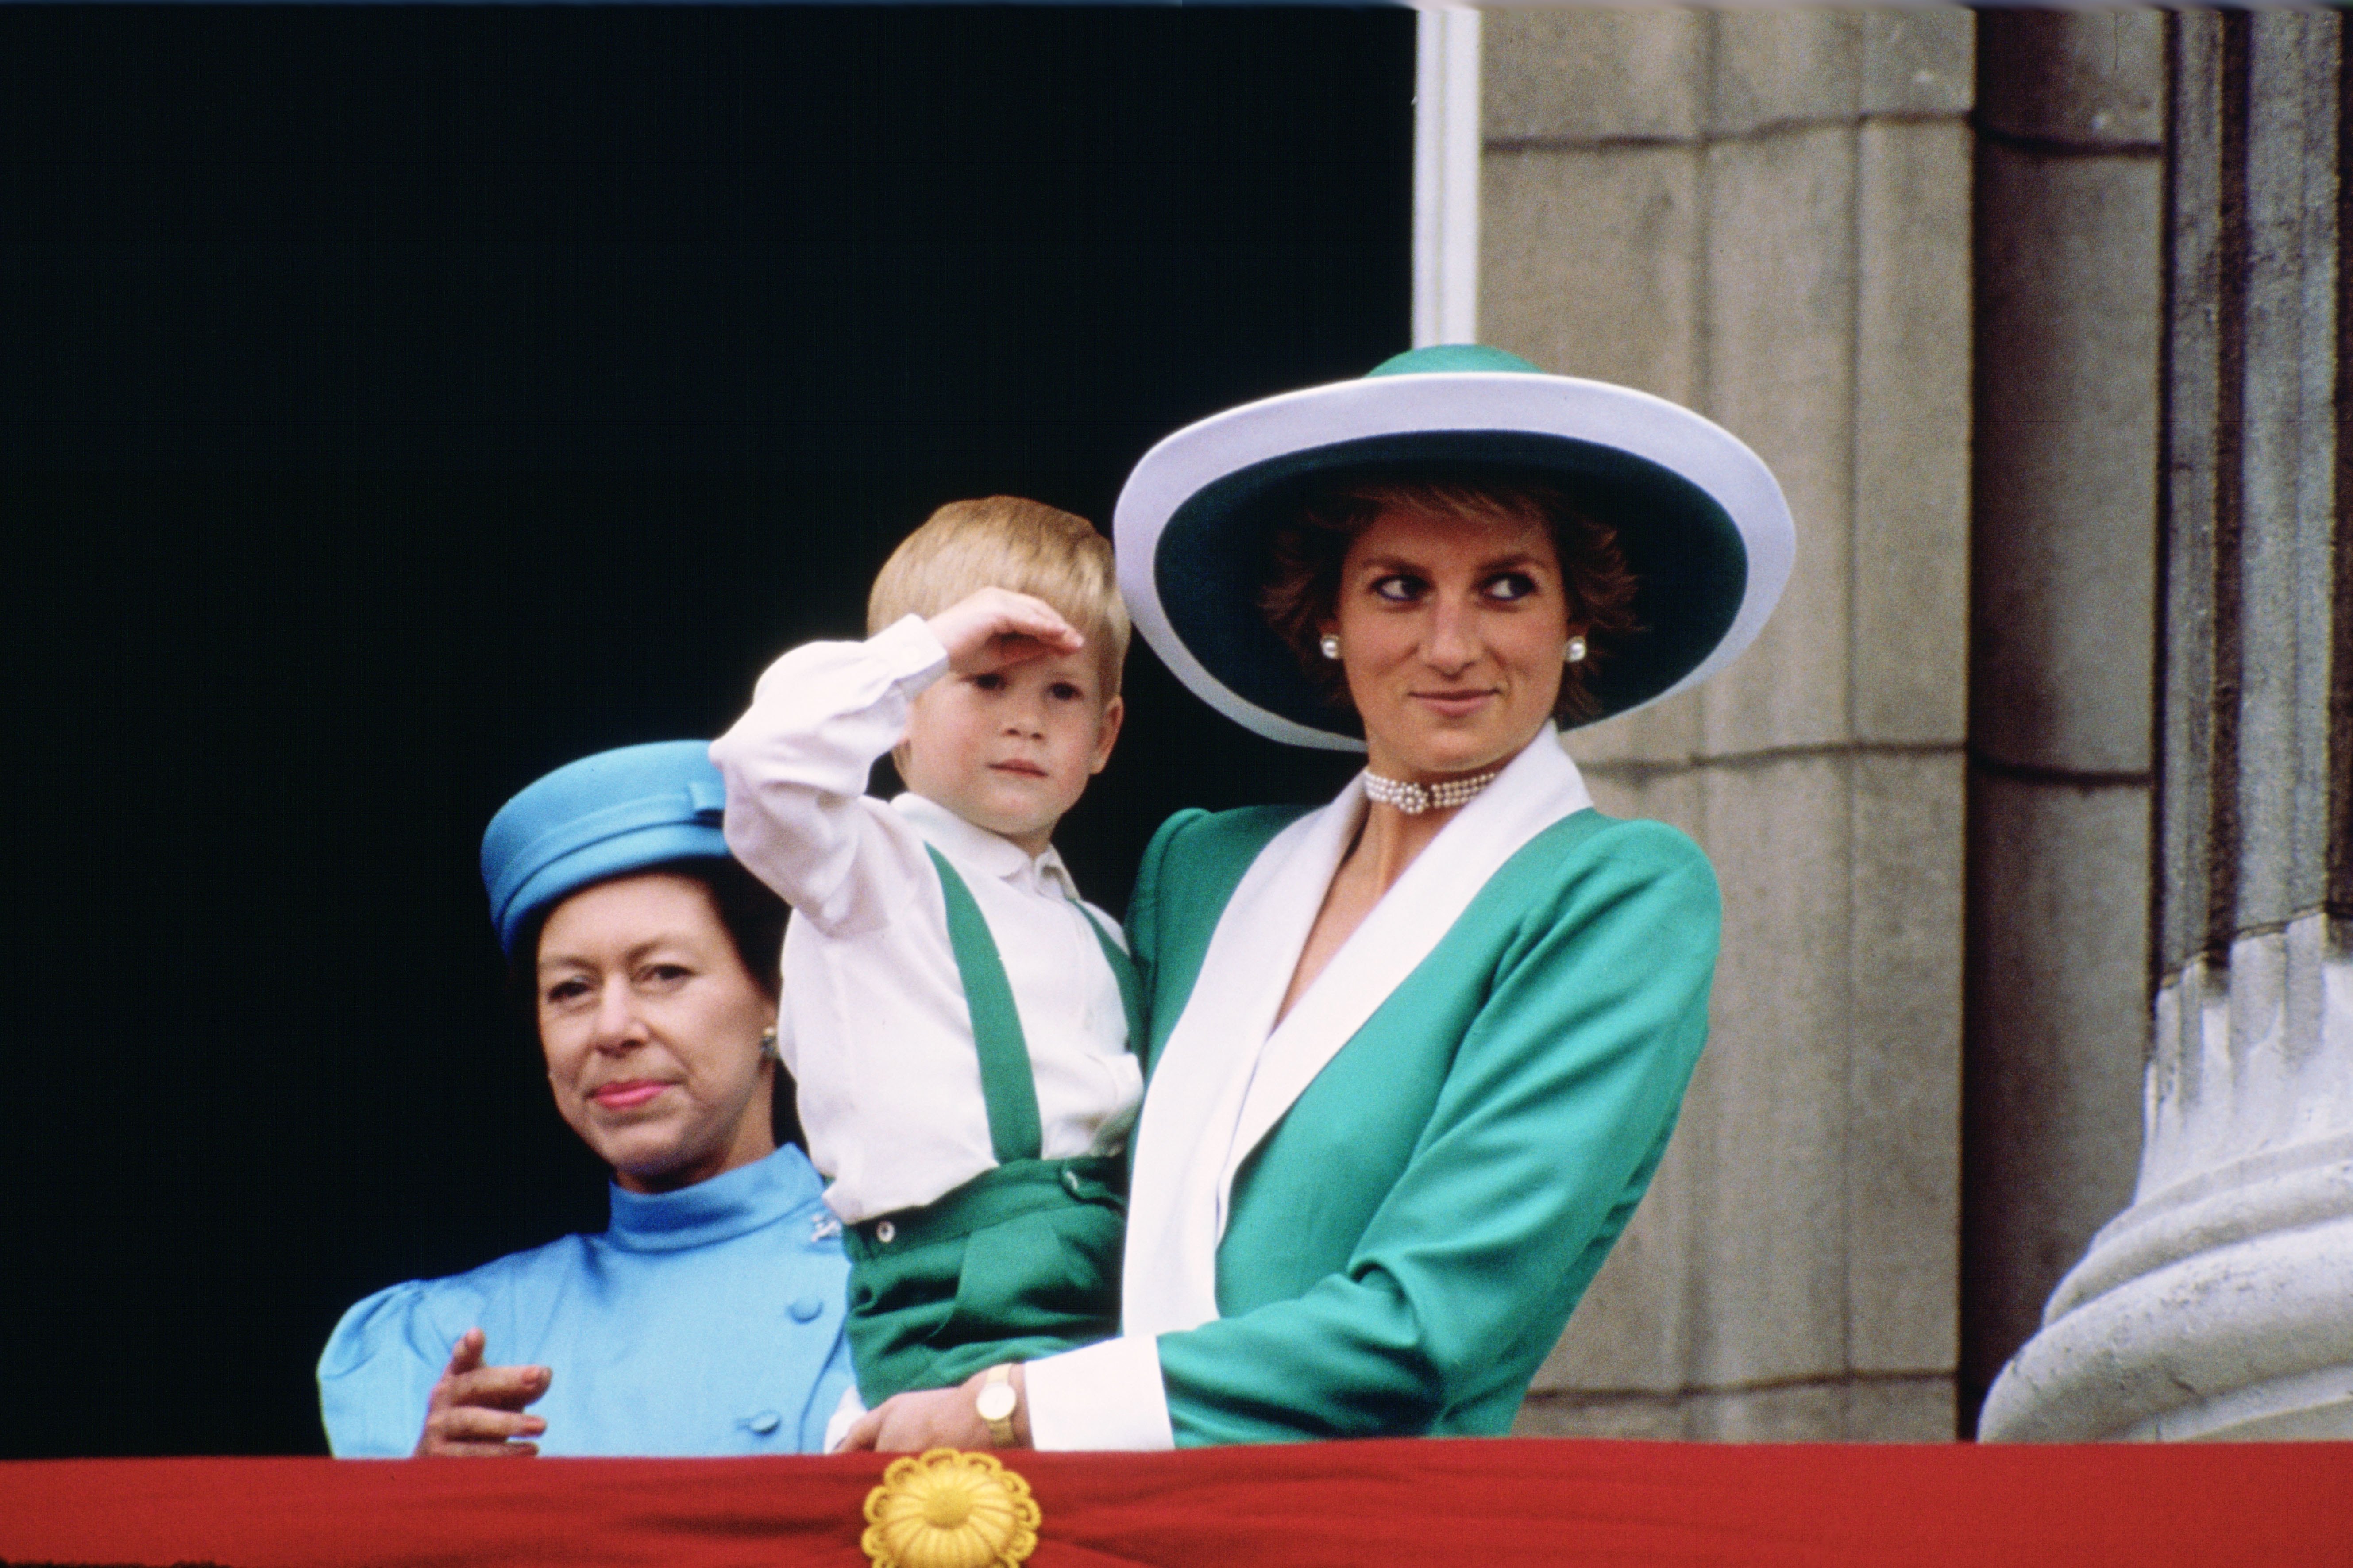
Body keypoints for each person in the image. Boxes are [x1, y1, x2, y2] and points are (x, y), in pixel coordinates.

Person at [842, 343, 1794, 1450]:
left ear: (1575, 616)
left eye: (1508, 585)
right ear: (1328, 616)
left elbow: (1426, 1327)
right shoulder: (1200, 870)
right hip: (1093, 1530)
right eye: (1400, 586)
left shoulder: (1614, 896)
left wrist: (1016, 1408)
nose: (1452, 643)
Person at [709, 496, 1140, 1433]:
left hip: (1107, 1315)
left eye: (1060, 694)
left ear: (1104, 736)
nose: (1025, 722)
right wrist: (930, 647)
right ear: (895, 717)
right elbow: (761, 761)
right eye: (988, 683)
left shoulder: (1103, 933)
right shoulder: (866, 870)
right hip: (953, 1312)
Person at [316, 741, 856, 1456]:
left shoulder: (915, 1280)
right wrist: (424, 1499)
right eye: (571, 990)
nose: (611, 1030)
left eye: (664, 974)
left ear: (777, 998)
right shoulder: (442, 1339)